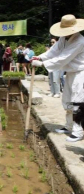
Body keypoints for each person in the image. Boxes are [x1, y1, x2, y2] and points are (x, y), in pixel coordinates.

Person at [31, 14, 84, 142]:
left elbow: (64, 57)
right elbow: (54, 51)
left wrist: (43, 64)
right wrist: (41, 57)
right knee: (67, 100)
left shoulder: (79, 41)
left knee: (78, 102)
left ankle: (78, 132)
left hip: (80, 73)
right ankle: (68, 126)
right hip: (70, 72)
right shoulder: (63, 38)